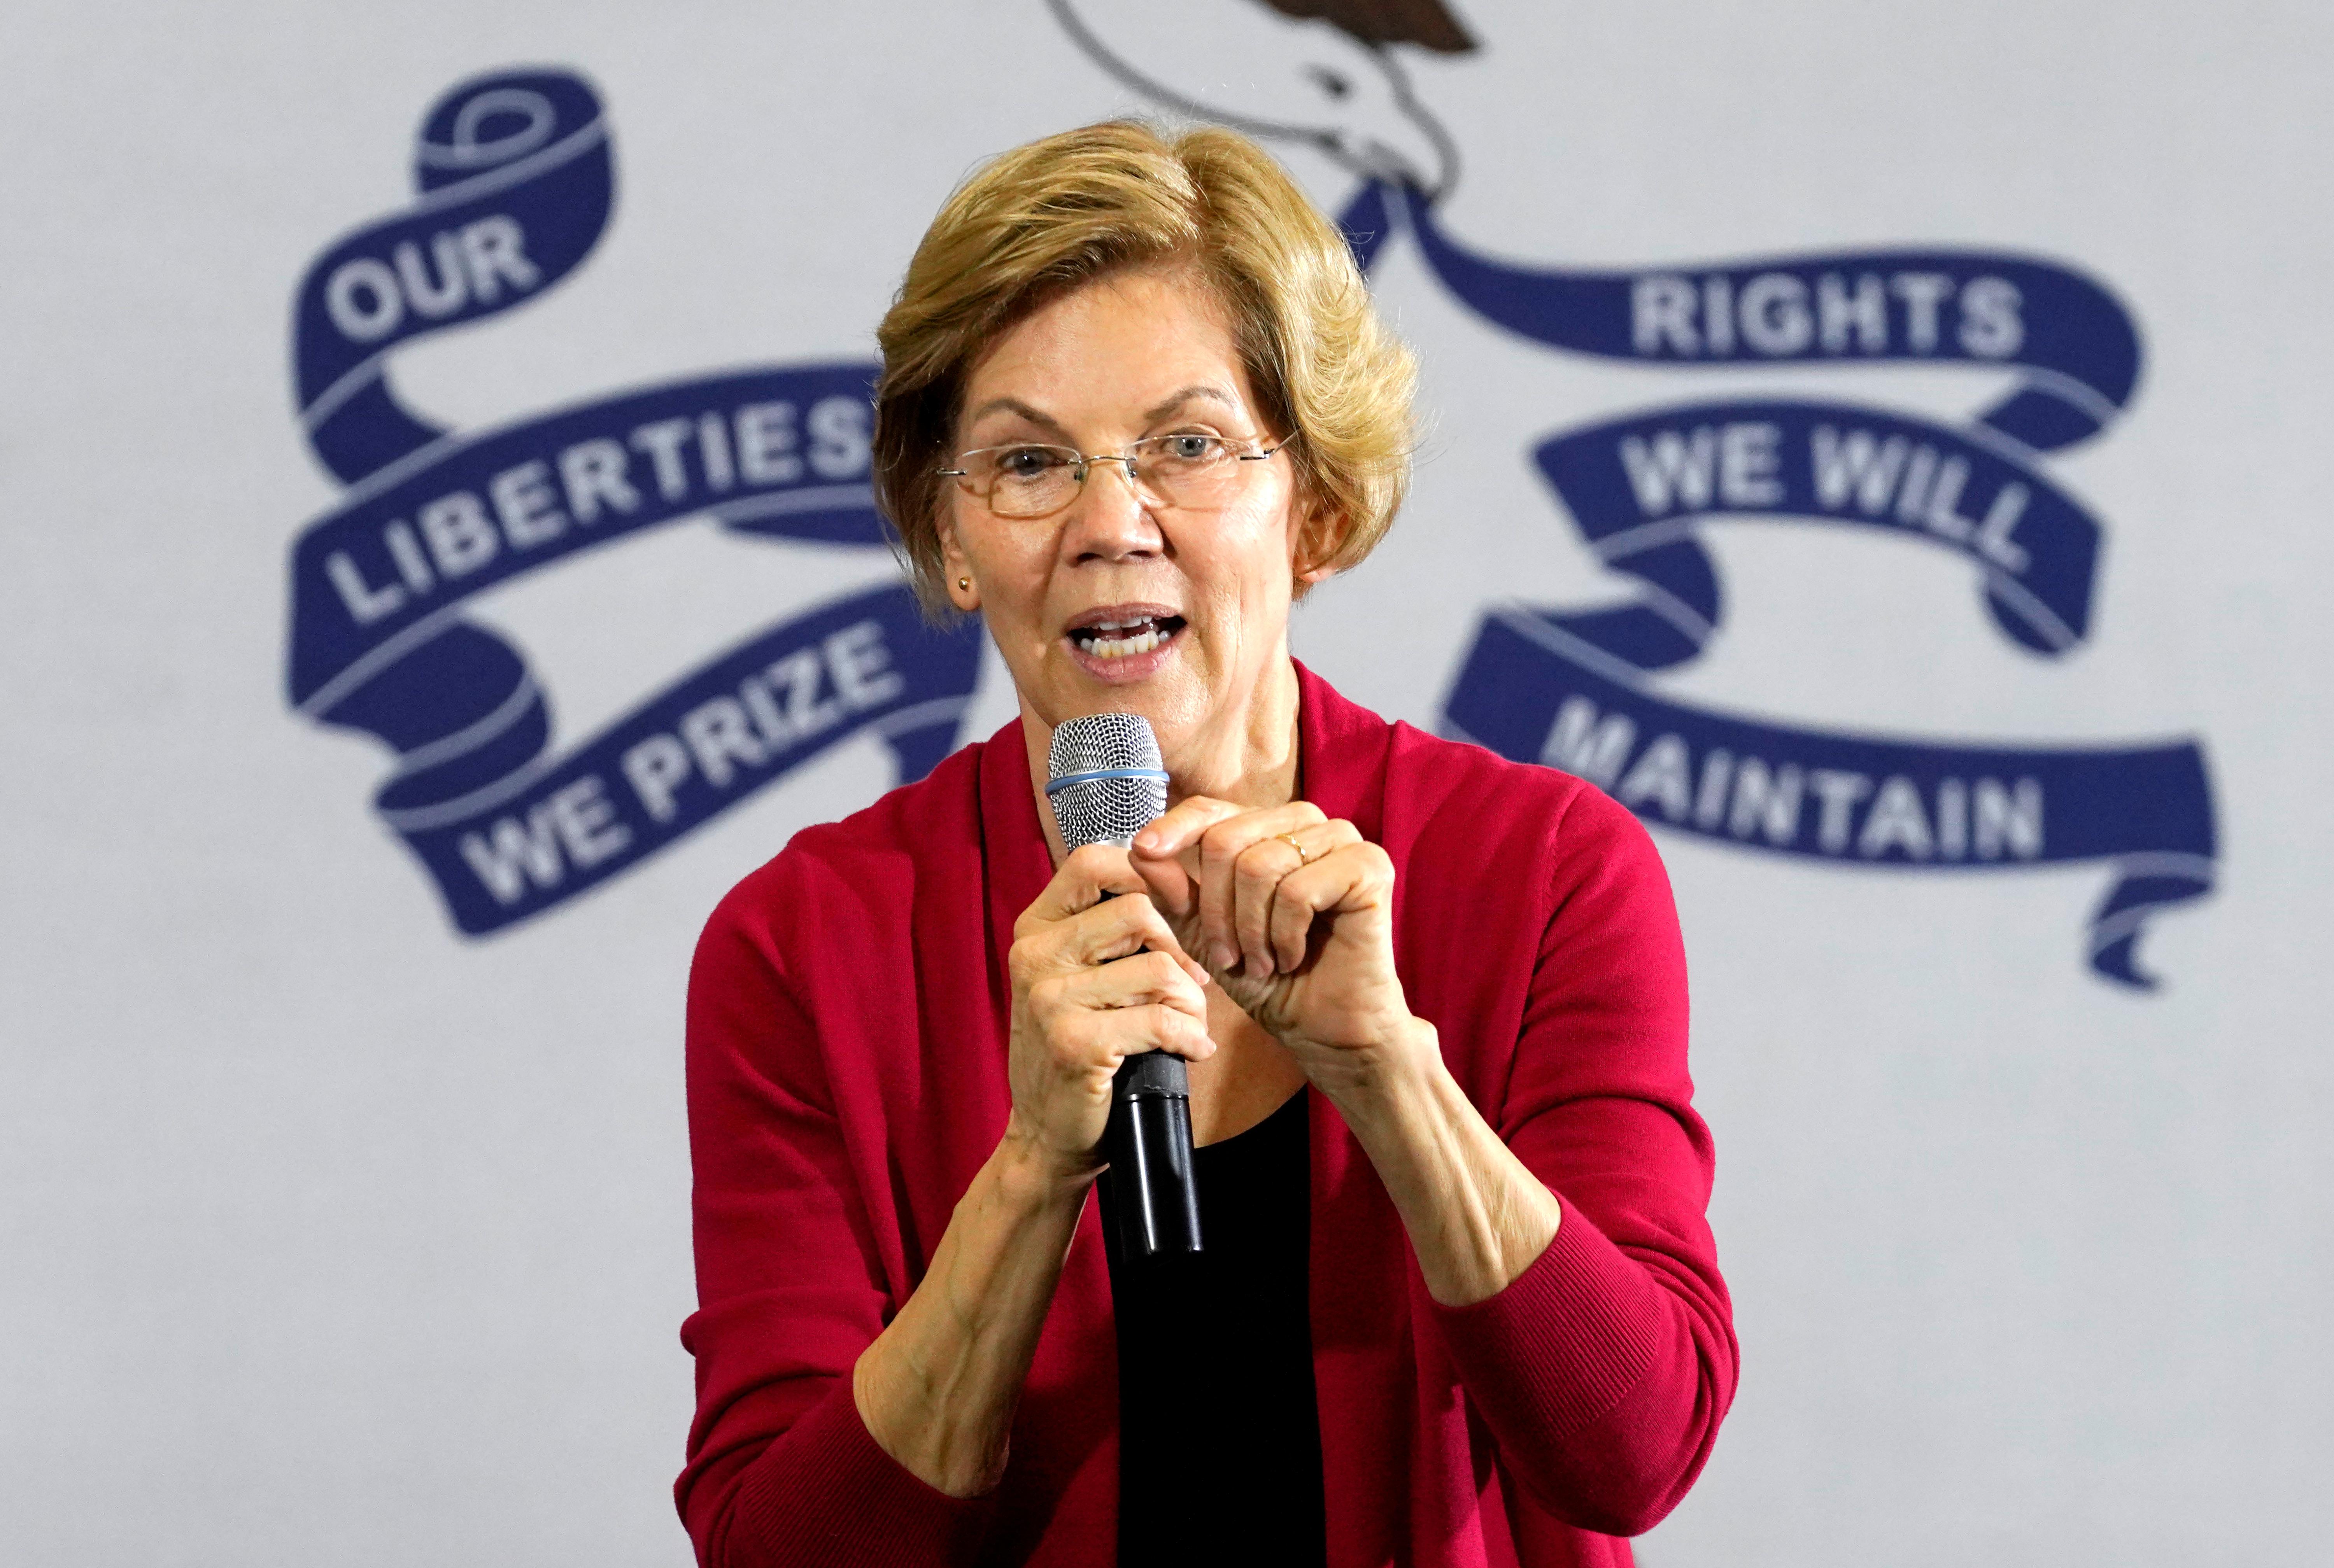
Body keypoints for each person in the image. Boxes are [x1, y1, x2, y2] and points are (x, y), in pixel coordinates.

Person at [675, 120, 1735, 1568]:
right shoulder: (807, 941)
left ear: (1319, 507)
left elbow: (1635, 1448)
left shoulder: (1544, 869)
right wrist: (1035, 1168)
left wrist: (1387, 1072)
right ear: (953, 533)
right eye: (1028, 462)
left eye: (1186, 446)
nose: (1113, 523)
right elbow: (778, 1552)